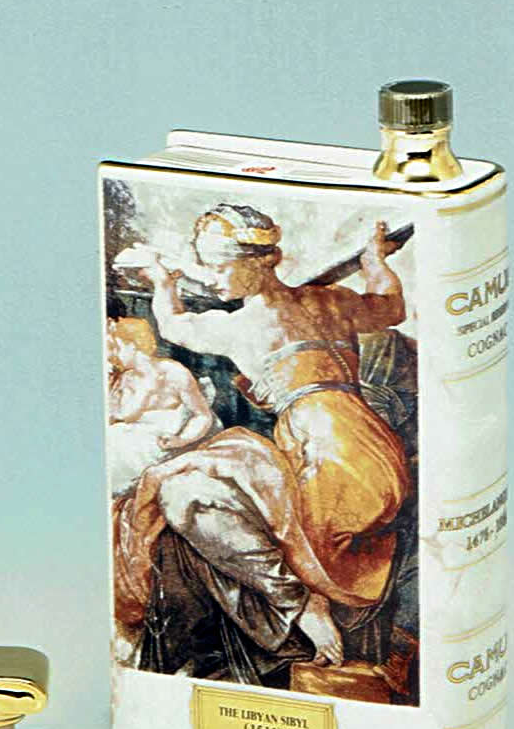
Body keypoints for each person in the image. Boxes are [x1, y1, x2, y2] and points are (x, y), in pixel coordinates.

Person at [112, 203, 410, 679]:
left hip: (325, 449)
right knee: (194, 488)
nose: (211, 279)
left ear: (262, 261)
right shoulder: (332, 300)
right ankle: (296, 605)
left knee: (183, 493)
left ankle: (300, 604)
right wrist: (375, 261)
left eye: (218, 266)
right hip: (374, 445)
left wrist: (163, 283)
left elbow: (172, 326)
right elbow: (391, 306)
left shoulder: (240, 325)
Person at [106, 316, 220, 497]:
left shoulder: (173, 372)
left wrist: (182, 439)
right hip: (131, 443)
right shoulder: (125, 379)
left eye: (116, 348)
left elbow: (202, 415)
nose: (112, 355)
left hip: (164, 444)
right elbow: (116, 417)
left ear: (133, 345)